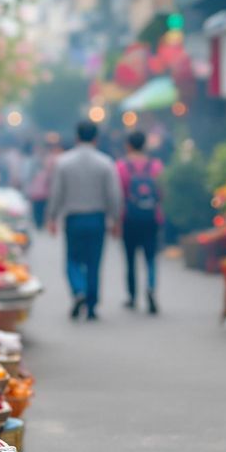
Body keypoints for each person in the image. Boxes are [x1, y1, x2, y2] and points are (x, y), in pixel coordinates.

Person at [46, 120, 123, 321]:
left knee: (72, 259)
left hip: (74, 219)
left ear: (77, 137)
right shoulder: (106, 162)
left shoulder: (63, 162)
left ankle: (78, 289)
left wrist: (52, 217)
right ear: (96, 138)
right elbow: (114, 194)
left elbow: (56, 193)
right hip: (97, 219)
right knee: (94, 263)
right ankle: (91, 305)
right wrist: (115, 219)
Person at [117, 130, 164, 314]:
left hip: (129, 218)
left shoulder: (121, 166)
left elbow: (118, 193)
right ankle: (151, 288)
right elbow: (161, 192)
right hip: (152, 217)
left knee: (130, 259)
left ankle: (132, 295)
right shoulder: (156, 166)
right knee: (151, 257)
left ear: (128, 145)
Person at [25, 138, 64, 231]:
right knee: (39, 206)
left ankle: (42, 222)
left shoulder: (54, 159)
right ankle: (40, 222)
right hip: (39, 189)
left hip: (45, 189)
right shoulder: (38, 160)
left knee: (43, 206)